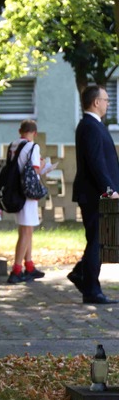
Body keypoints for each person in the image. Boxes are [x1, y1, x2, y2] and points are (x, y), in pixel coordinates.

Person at [69, 85, 119, 304]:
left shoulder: (94, 125)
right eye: (106, 100)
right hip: (95, 195)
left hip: (96, 194)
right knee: (98, 242)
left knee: (99, 240)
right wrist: (110, 191)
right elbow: (96, 163)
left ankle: (81, 273)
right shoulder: (90, 126)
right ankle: (91, 291)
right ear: (96, 102)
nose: (108, 103)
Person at [7, 120, 46, 284]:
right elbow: (35, 171)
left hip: (15, 192)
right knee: (26, 232)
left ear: (20, 131)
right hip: (28, 194)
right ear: (35, 133)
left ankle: (29, 266)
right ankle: (16, 270)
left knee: (25, 229)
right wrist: (43, 165)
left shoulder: (13, 145)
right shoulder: (32, 147)